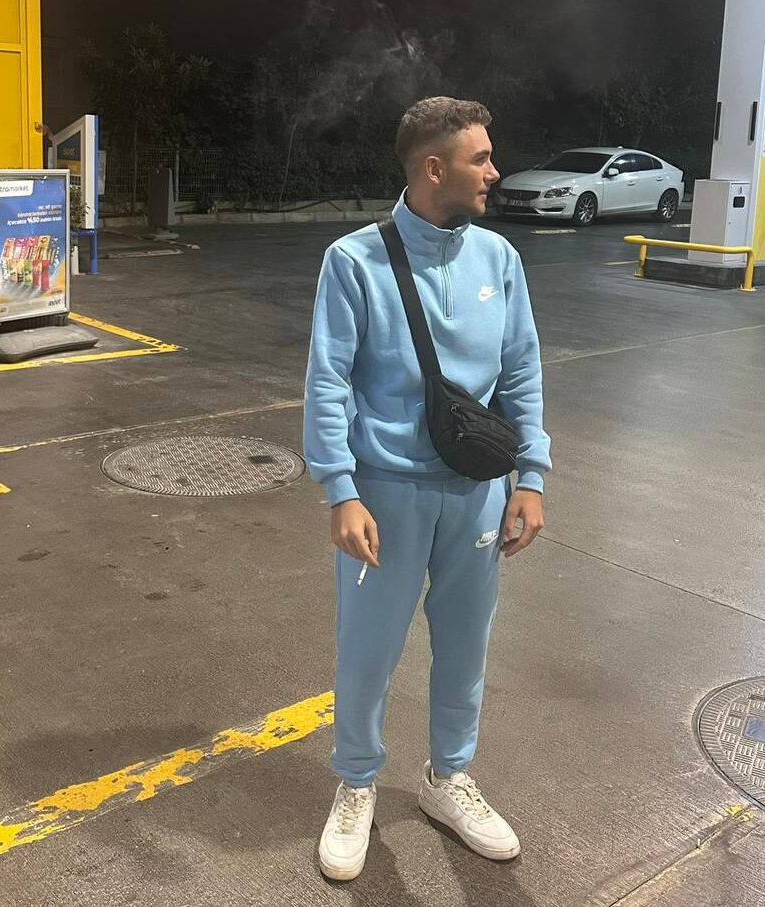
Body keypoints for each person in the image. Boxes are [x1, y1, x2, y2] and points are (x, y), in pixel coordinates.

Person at [303, 97, 552, 881]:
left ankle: (448, 777)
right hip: (385, 495)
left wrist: (531, 476)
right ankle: (356, 782)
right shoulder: (354, 261)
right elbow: (328, 381)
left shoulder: (498, 260)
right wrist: (340, 489)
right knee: (368, 651)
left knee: (466, 645)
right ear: (434, 169)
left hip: (476, 490)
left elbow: (521, 372)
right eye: (481, 158)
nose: (495, 171)